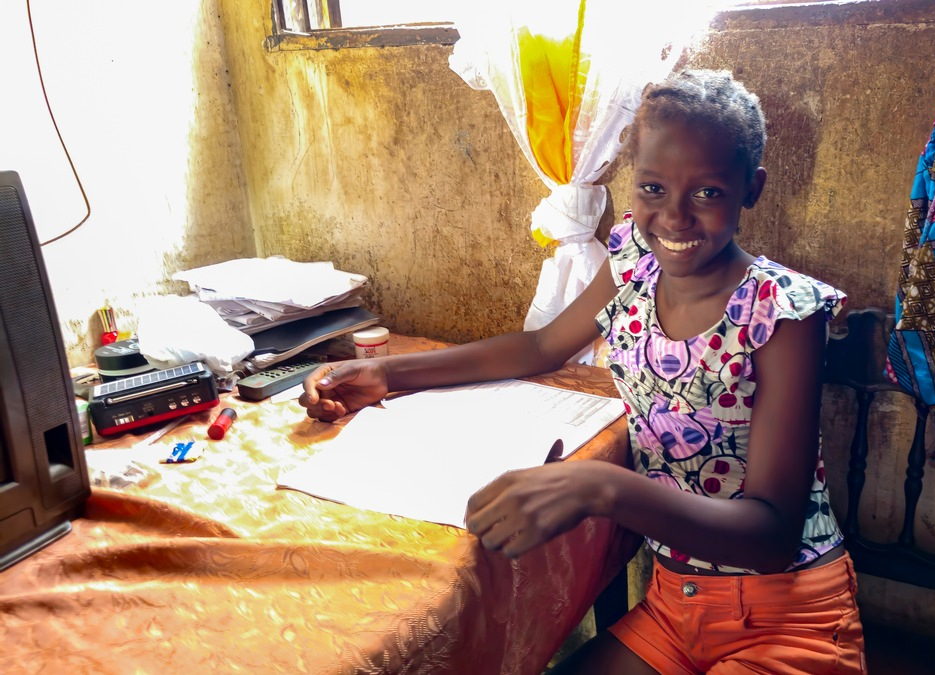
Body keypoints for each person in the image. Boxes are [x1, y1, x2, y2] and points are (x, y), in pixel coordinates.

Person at [301, 69, 866, 674]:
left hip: (786, 614)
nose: (673, 218)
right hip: (674, 607)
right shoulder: (632, 267)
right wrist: (391, 374)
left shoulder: (783, 314)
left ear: (750, 189)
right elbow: (542, 346)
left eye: (707, 193)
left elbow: (772, 534)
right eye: (652, 188)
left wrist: (600, 487)